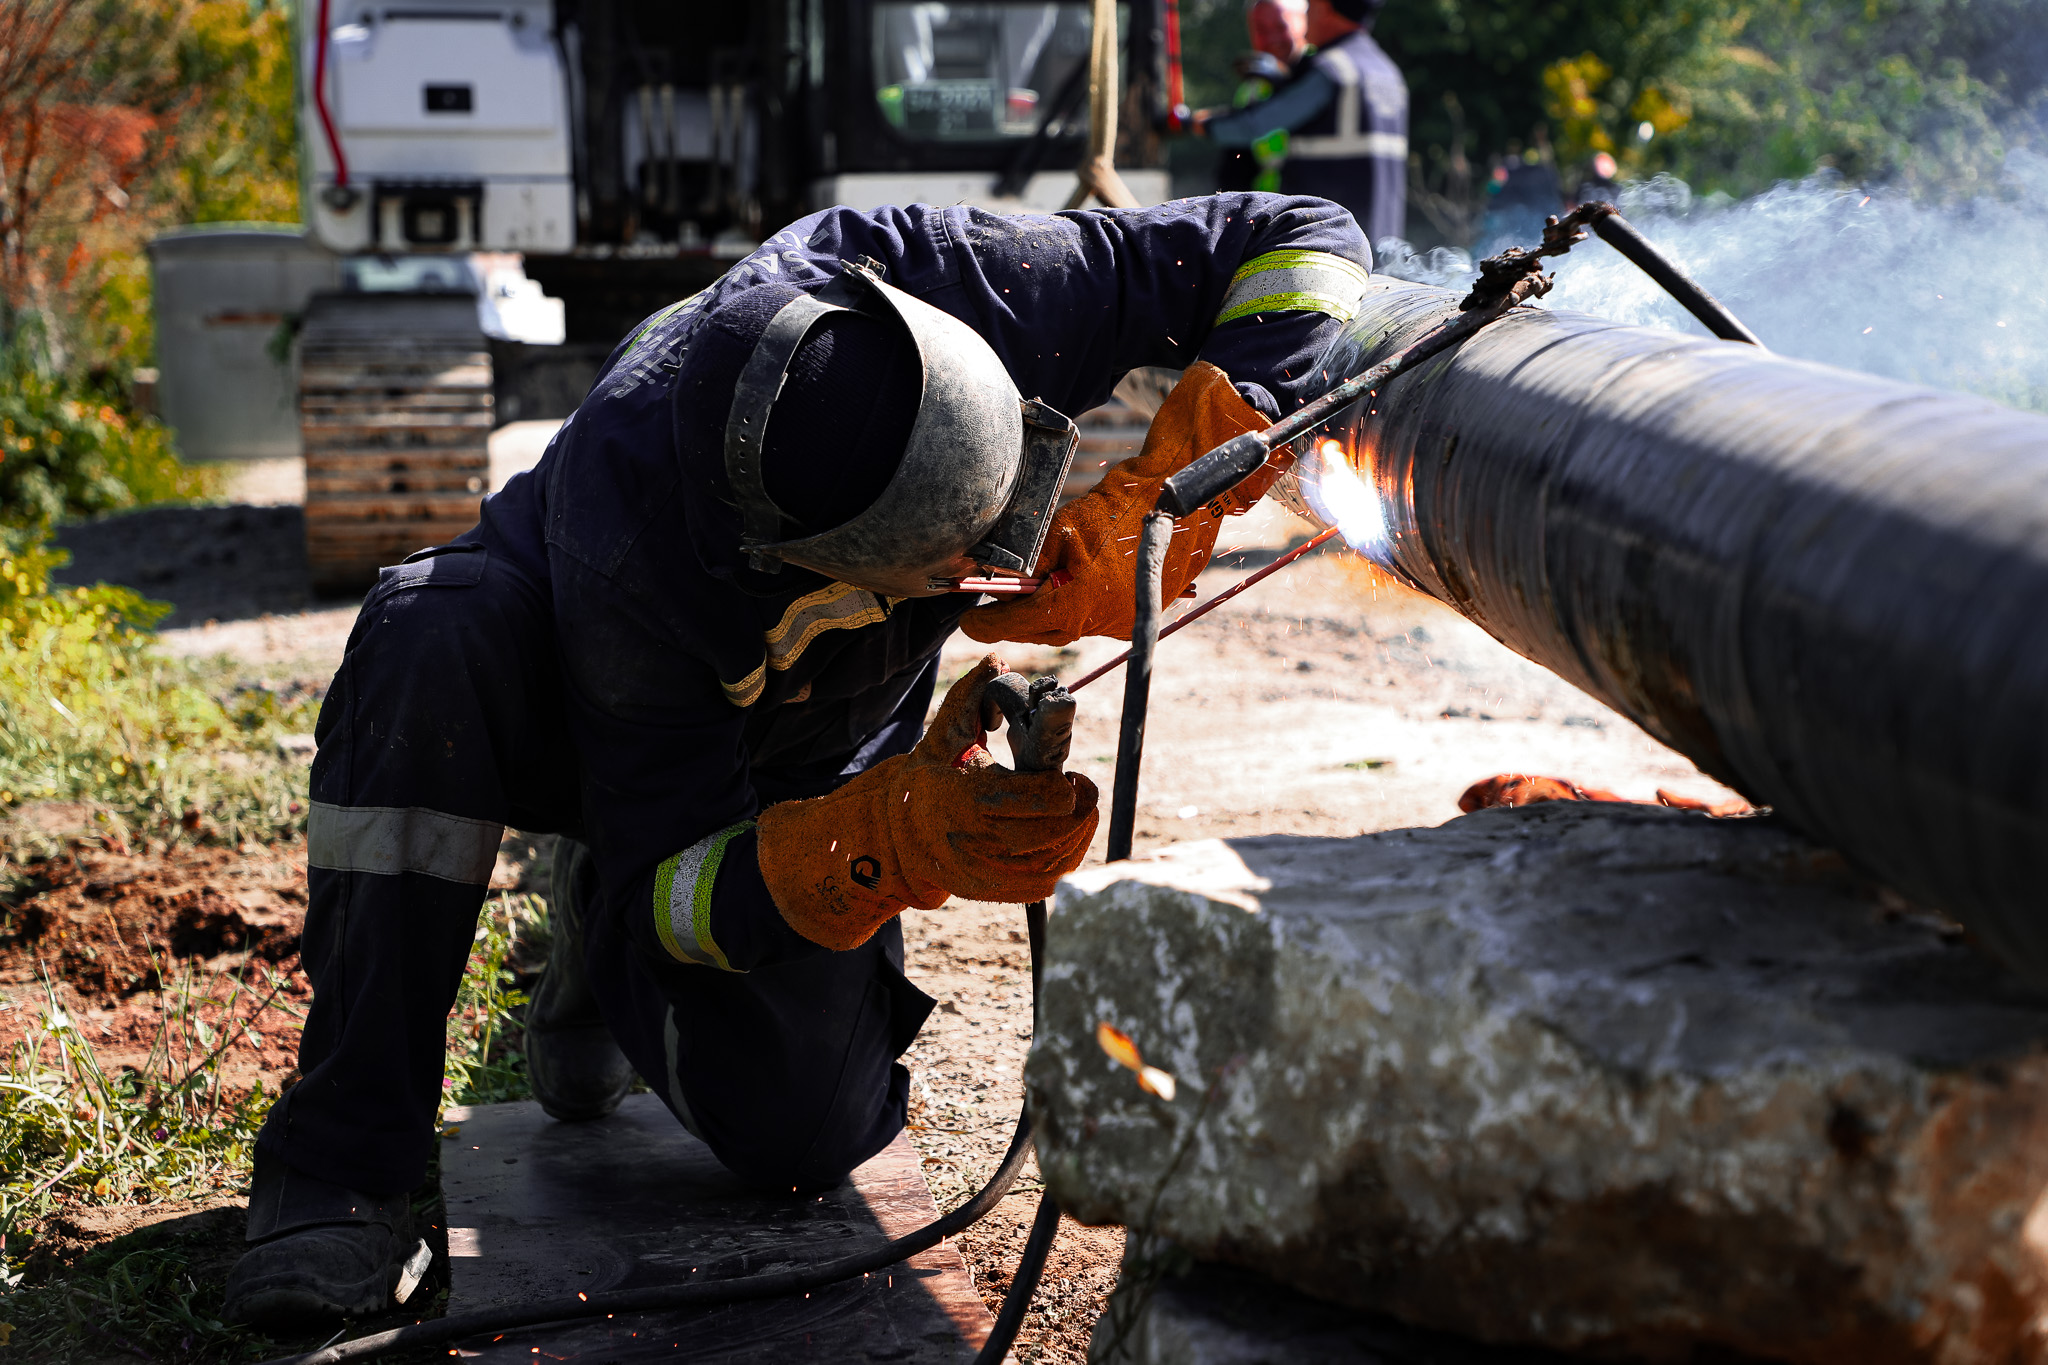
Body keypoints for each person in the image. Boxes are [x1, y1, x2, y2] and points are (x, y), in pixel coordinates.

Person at [221, 191, 1376, 1326]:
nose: (998, 572)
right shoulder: (641, 564)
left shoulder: (980, 280)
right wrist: (882, 844)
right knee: (432, 633)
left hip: (800, 730)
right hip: (597, 713)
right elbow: (673, 891)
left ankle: (601, 939)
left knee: (806, 1138)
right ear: (808, 562)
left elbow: (1300, 237)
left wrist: (1180, 489)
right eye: (959, 565)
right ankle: (339, 1163)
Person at [1194, 0, 1408, 245]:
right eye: (1260, 29)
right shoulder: (1385, 70)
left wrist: (1197, 124)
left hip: (1329, 239)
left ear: (1324, 7)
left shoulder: (1330, 69)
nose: (1308, 12)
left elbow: (1254, 125)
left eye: (1310, 6)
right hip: (1378, 239)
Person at [1217, 0, 1310, 193]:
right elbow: (1236, 169)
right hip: (1273, 206)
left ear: (1305, 22)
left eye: (1280, 27)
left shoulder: (1325, 73)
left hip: (1326, 204)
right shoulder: (1250, 91)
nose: (1272, 38)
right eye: (1261, 30)